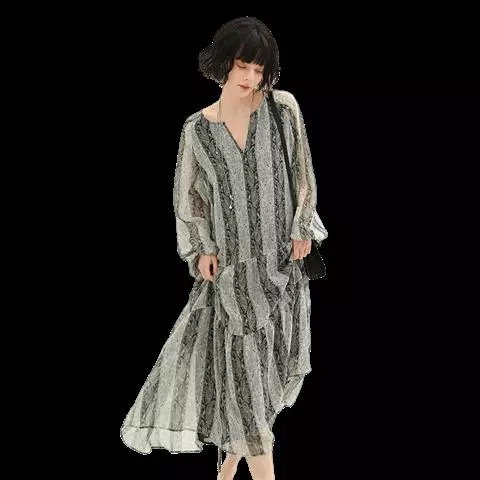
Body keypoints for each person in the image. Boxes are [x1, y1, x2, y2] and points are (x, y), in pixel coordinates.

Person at [120, 16, 328, 480]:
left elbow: (303, 173)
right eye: (242, 66)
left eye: (259, 69)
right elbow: (190, 199)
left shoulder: (283, 109)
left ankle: (227, 467)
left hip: (284, 272)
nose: (250, 78)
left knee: (263, 383)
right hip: (233, 282)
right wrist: (200, 249)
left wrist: (302, 226)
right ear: (223, 63)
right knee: (247, 388)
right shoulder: (197, 130)